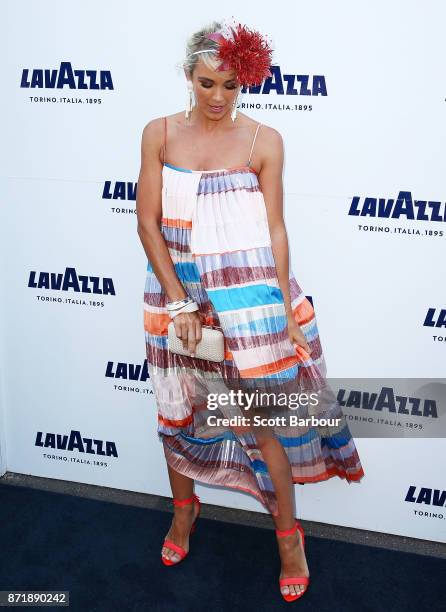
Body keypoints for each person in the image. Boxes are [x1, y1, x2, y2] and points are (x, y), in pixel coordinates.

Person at [136, 19, 365, 602]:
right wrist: (181, 301)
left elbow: (275, 228)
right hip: (177, 297)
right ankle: (184, 514)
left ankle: (290, 539)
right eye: (207, 83)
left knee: (263, 426)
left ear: (248, 81)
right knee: (180, 413)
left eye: (231, 85)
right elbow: (147, 222)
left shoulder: (266, 140)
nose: (217, 97)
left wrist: (286, 310)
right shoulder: (158, 134)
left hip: (250, 301)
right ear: (188, 77)